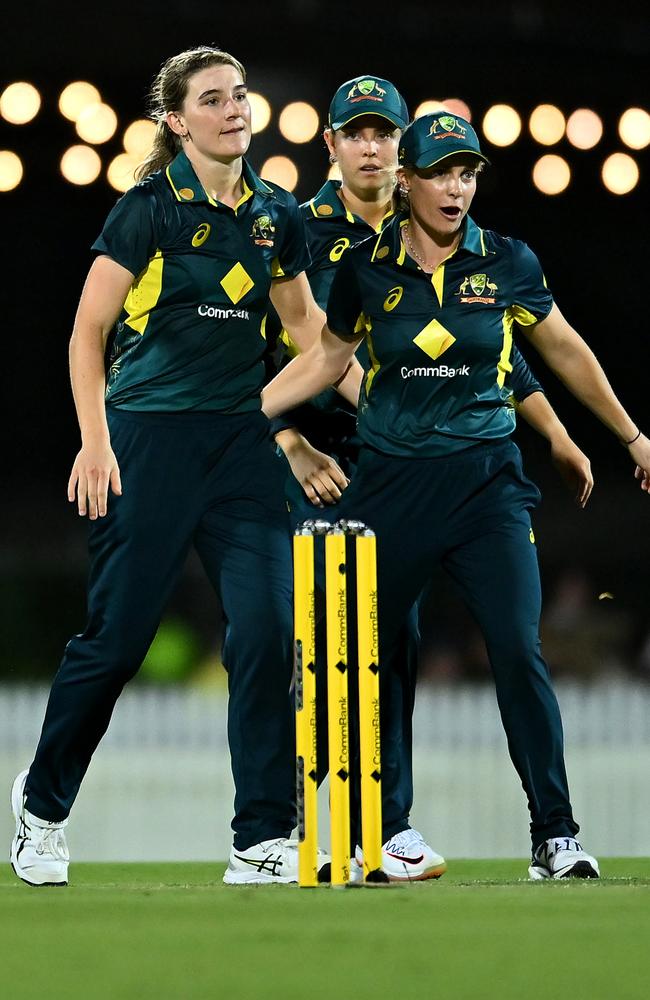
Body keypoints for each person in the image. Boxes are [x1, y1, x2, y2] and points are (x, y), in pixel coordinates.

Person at [262, 110, 650, 879]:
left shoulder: (508, 261)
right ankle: (387, 831)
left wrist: (630, 437)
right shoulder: (363, 269)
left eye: (467, 173)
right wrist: (254, 414)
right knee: (375, 662)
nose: (456, 187)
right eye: (440, 172)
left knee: (517, 648)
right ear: (405, 182)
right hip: (392, 488)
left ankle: (556, 836)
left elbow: (561, 348)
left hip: (487, 487)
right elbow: (326, 360)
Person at [9, 45, 340, 888]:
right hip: (146, 441)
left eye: (241, 95)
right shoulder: (146, 209)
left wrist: (345, 406)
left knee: (267, 633)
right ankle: (41, 812)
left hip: (239, 449)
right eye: (214, 99)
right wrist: (95, 440)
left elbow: (312, 339)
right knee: (117, 642)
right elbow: (87, 333)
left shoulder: (277, 216)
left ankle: (261, 836)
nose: (236, 110)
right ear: (176, 120)